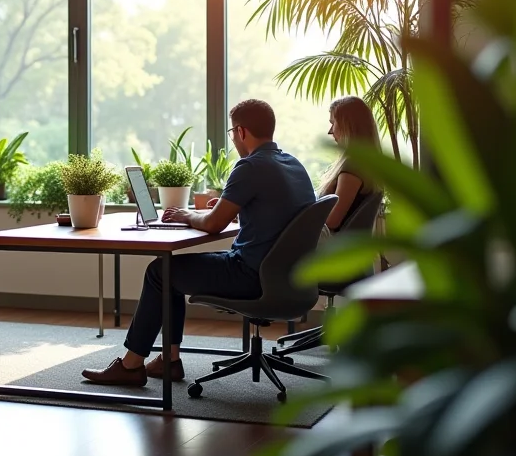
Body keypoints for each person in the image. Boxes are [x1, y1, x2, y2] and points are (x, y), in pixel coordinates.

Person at [81, 99, 315, 387]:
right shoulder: (294, 165)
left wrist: (186, 215)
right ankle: (168, 361)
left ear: (241, 132)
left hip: (250, 276)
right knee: (169, 271)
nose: (233, 139)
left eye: (232, 133)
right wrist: (232, 207)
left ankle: (131, 366)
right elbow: (277, 214)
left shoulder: (250, 166)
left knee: (160, 272)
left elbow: (214, 224)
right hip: (290, 279)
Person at [319, 96, 380, 234]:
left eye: (333, 123)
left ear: (348, 126)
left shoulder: (353, 167)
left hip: (332, 243)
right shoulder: (366, 163)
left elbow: (332, 222)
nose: (330, 131)